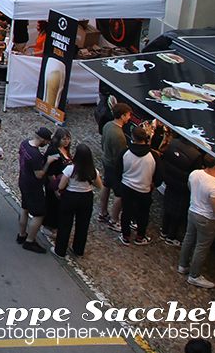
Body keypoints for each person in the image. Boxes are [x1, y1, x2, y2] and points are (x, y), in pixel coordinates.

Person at [178, 157, 215, 288]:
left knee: (188, 238)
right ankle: (194, 276)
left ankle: (183, 266)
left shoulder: (194, 174)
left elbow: (191, 188)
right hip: (206, 219)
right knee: (201, 247)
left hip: (192, 211)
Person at [55, 143, 101, 259]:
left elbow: (61, 186)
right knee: (82, 225)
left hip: (70, 197)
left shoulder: (70, 169)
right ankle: (78, 249)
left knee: (65, 224)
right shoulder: (93, 171)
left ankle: (60, 250)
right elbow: (99, 185)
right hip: (86, 197)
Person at [15, 126, 57, 253]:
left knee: (24, 208)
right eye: (47, 141)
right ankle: (30, 241)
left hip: (23, 181)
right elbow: (39, 174)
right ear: (43, 140)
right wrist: (48, 162)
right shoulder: (36, 154)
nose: (48, 144)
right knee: (39, 214)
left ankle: (22, 235)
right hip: (33, 187)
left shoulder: (24, 144)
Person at [120, 125, 159, 246]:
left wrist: (120, 183)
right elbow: (160, 174)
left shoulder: (125, 153)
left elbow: (118, 170)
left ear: (133, 137)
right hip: (144, 189)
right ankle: (140, 236)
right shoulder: (153, 156)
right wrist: (154, 185)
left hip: (127, 187)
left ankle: (125, 235)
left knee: (126, 211)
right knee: (143, 213)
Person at [97, 102, 131, 230]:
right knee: (119, 194)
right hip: (114, 165)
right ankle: (114, 220)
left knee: (106, 185)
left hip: (106, 160)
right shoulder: (119, 136)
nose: (129, 118)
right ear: (122, 116)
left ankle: (103, 212)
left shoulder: (107, 125)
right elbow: (120, 156)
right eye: (128, 115)